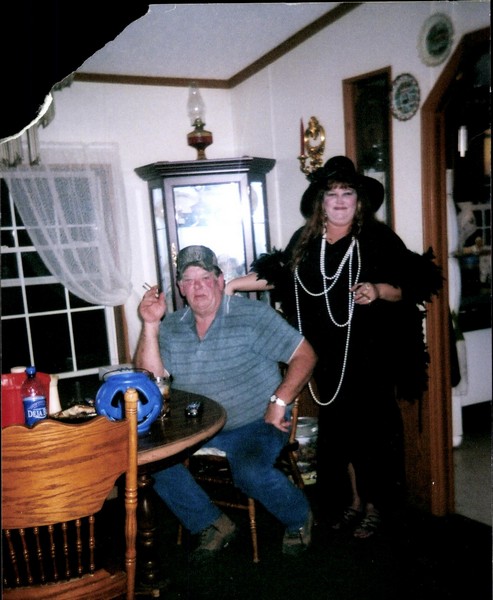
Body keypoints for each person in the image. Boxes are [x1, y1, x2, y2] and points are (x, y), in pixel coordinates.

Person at [225, 156, 443, 539]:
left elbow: (411, 284)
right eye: (332, 194)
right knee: (342, 434)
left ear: (359, 200)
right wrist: (232, 285)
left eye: (347, 193)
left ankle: (375, 507)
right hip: (328, 356)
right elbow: (278, 276)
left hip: (371, 354)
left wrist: (378, 290)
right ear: (320, 202)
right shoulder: (306, 241)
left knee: (372, 435)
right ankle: (354, 502)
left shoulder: (377, 238)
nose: (340, 201)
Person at [135, 244, 317, 560]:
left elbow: (305, 355)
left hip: (255, 422)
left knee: (249, 472)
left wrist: (279, 400)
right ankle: (211, 523)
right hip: (196, 428)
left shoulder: (252, 316)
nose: (198, 287)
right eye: (189, 280)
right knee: (150, 459)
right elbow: (149, 378)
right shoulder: (173, 325)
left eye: (205, 278)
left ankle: (298, 518)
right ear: (180, 288)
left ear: (220, 281)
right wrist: (150, 325)